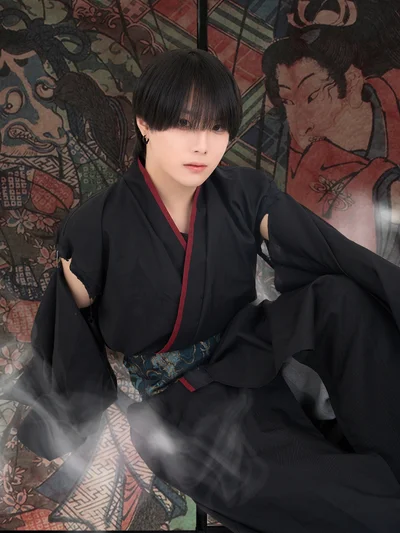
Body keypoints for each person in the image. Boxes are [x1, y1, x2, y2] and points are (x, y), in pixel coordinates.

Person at [14, 49, 400, 532]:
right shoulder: (95, 229)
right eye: (184, 124)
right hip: (183, 404)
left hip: (247, 349)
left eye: (217, 128)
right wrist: (58, 417)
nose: (202, 145)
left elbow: (330, 252)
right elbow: (66, 341)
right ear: (145, 123)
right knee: (348, 501)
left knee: (343, 298)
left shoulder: (243, 193)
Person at [262, 29, 400, 265]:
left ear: (352, 82)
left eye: (312, 96)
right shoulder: (302, 158)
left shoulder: (394, 92)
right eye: (288, 101)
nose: (299, 125)